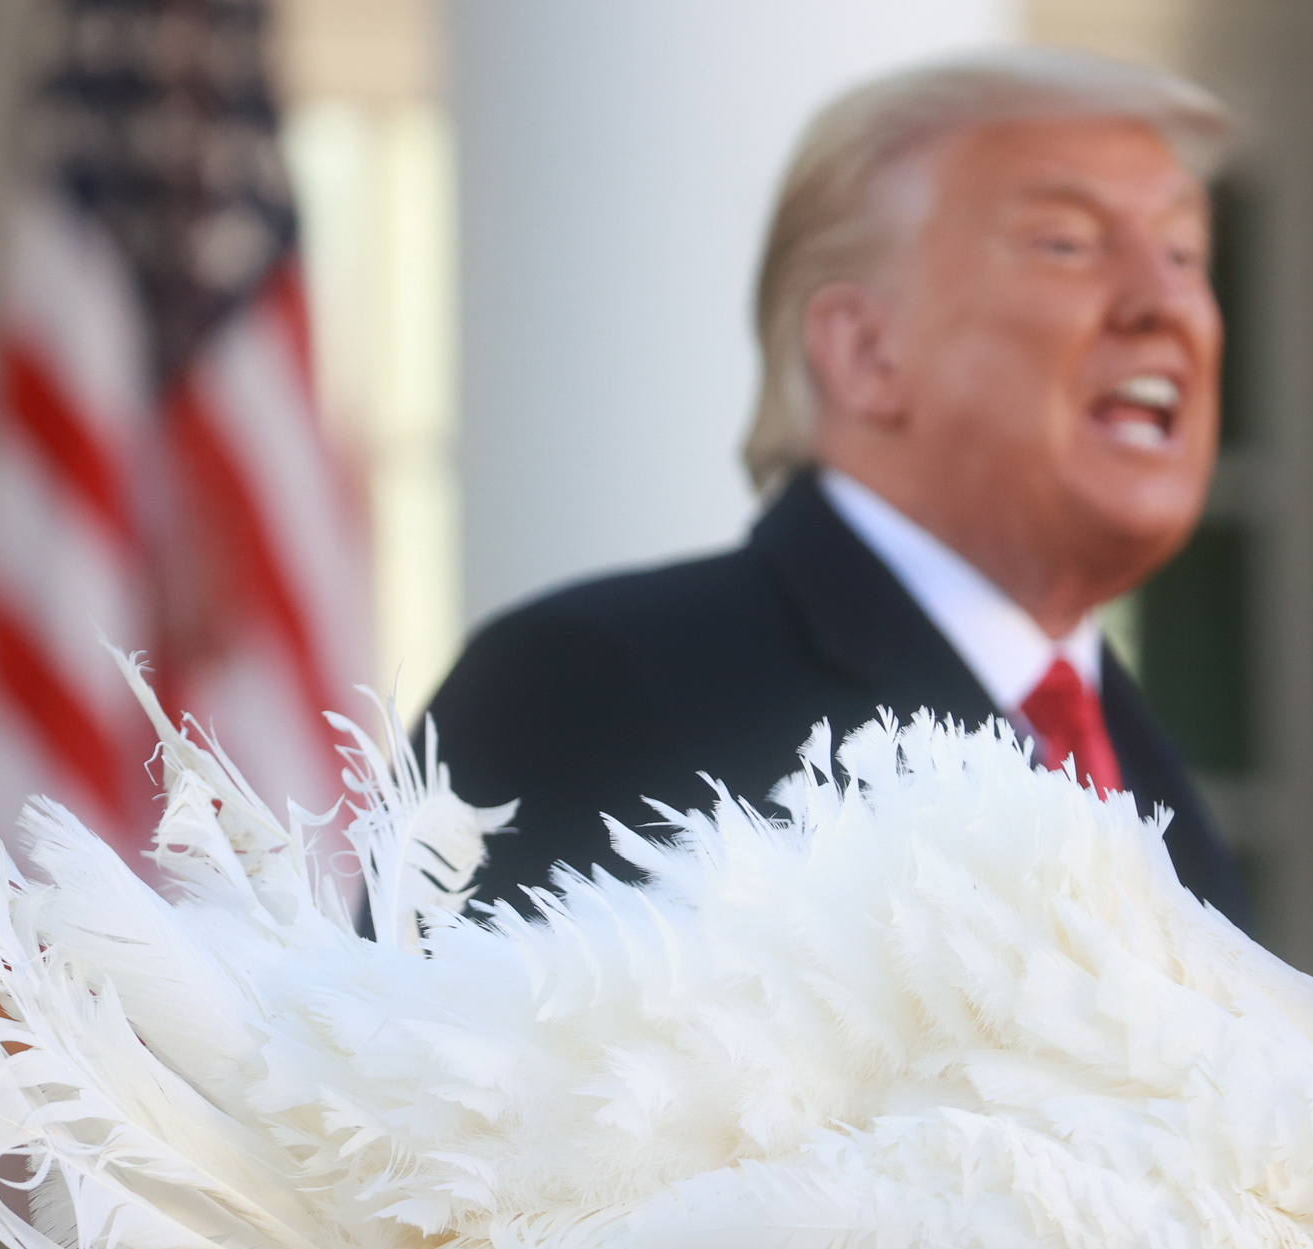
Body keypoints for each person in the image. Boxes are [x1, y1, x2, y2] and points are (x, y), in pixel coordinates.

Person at [423, 48, 1251, 924]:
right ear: (862, 351)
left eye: (1183, 252)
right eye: (1066, 243)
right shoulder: (589, 689)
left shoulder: (1133, 760)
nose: (1164, 302)